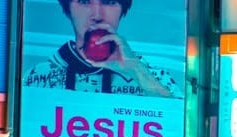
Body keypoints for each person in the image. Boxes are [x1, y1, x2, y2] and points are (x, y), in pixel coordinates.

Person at [23, 0, 177, 97]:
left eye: (109, 2)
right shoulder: (38, 76)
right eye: (84, 1)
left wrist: (135, 70)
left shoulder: (155, 77)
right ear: (68, 9)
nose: (97, 16)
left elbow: (178, 125)